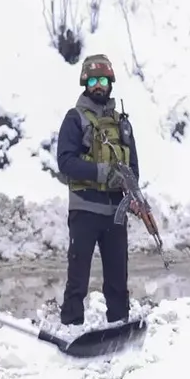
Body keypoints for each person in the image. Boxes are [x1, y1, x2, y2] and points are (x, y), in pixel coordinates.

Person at [54, 54, 141, 326]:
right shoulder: (75, 118)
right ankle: (70, 328)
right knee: (77, 279)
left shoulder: (122, 123)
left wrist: (129, 187)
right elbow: (65, 162)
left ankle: (119, 325)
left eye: (102, 80)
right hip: (84, 209)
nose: (98, 86)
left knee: (118, 279)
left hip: (116, 212)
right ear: (85, 83)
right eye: (93, 81)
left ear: (110, 83)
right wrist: (103, 173)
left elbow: (134, 168)